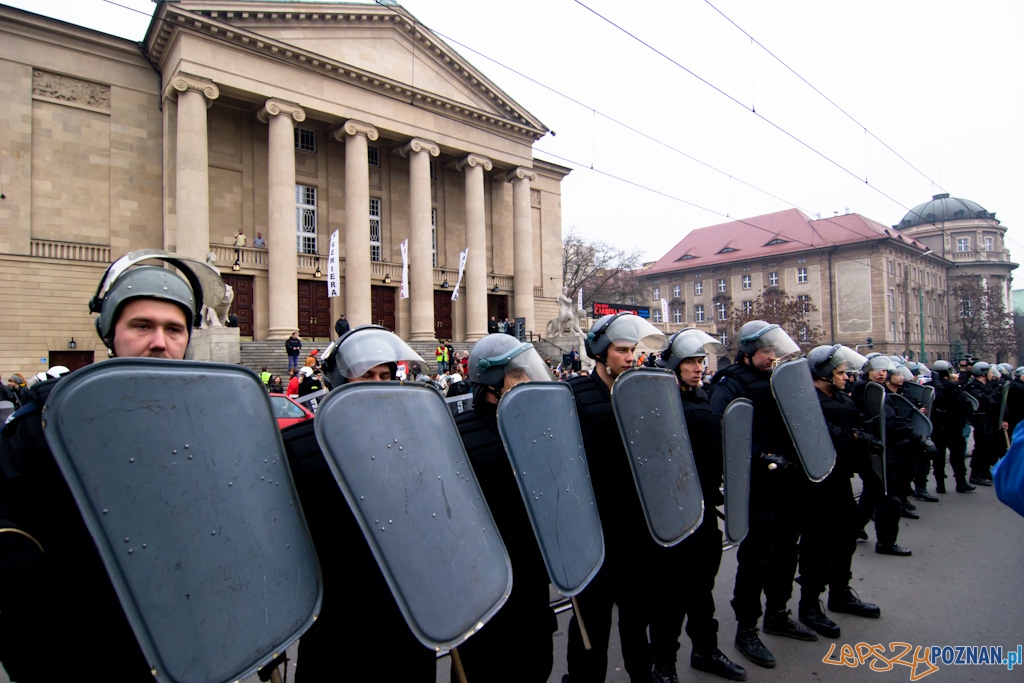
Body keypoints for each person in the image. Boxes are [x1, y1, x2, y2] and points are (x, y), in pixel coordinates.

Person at [0, 252, 213, 682]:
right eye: (142, 326)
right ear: (109, 332)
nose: (160, 341)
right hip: (81, 646)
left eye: (174, 329)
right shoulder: (46, 423)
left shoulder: (211, 421)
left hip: (187, 641)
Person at [279, 326, 436, 681]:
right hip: (337, 623)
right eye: (366, 375)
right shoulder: (297, 445)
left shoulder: (416, 438)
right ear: (337, 379)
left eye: (385, 375)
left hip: (407, 615)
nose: (377, 384)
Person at [564, 312, 668, 683]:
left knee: (638, 614)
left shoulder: (641, 392)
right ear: (600, 353)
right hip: (595, 529)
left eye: (632, 350)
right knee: (591, 621)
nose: (629, 357)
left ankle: (643, 673)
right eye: (622, 350)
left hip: (637, 527)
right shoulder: (574, 395)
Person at [708, 320, 816, 670]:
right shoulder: (731, 384)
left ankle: (778, 613)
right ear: (748, 352)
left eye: (774, 349)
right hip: (757, 484)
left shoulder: (781, 379)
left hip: (791, 480)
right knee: (758, 557)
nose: (772, 356)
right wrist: (759, 455)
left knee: (788, 550)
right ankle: (746, 628)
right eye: (766, 351)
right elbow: (723, 430)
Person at [451, 334, 558, 682]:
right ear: (491, 385)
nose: (527, 383)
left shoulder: (537, 428)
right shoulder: (457, 435)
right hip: (483, 584)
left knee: (537, 664)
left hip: (532, 575)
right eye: (517, 376)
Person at [650, 329, 747, 682]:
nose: (697, 367)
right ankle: (664, 664)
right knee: (670, 596)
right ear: (674, 366)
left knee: (701, 591)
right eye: (689, 362)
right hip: (672, 512)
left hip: (704, 508)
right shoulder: (658, 404)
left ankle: (705, 650)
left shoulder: (703, 397)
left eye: (699, 361)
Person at [797, 346, 882, 642]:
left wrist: (866, 431)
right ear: (823, 373)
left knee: (846, 537)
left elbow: (850, 423)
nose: (846, 377)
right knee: (819, 544)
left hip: (841, 478)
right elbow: (822, 432)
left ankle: (840, 593)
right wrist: (855, 435)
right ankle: (809, 604)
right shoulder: (809, 401)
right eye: (840, 372)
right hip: (819, 483)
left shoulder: (841, 397)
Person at [965, 362, 1000, 486]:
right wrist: (995, 395)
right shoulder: (973, 387)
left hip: (989, 420)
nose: (992, 374)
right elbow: (986, 401)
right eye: (990, 372)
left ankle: (984, 472)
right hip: (981, 420)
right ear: (983, 373)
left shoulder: (988, 385)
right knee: (981, 447)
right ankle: (975, 475)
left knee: (989, 447)